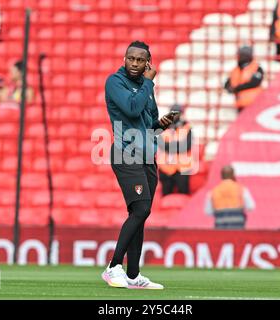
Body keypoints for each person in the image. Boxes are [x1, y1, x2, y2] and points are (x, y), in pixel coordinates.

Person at [102, 41, 176, 290]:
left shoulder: (145, 87)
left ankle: (133, 276)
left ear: (148, 62)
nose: (134, 64)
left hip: (146, 157)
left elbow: (149, 125)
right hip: (126, 153)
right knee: (141, 210)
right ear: (125, 59)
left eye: (139, 60)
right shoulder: (115, 82)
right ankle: (113, 267)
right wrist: (149, 82)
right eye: (130, 59)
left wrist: (162, 124)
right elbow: (132, 109)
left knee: (140, 214)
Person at [157, 104, 193, 196]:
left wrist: (169, 146)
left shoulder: (187, 127)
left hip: (182, 168)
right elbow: (161, 144)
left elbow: (186, 146)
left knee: (183, 196)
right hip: (166, 168)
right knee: (166, 197)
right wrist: (178, 146)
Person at [224, 45, 264, 113]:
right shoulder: (235, 70)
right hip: (241, 105)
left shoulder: (256, 68)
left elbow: (254, 83)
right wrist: (229, 87)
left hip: (255, 104)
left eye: (243, 55)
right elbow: (228, 84)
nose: (241, 57)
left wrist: (236, 88)